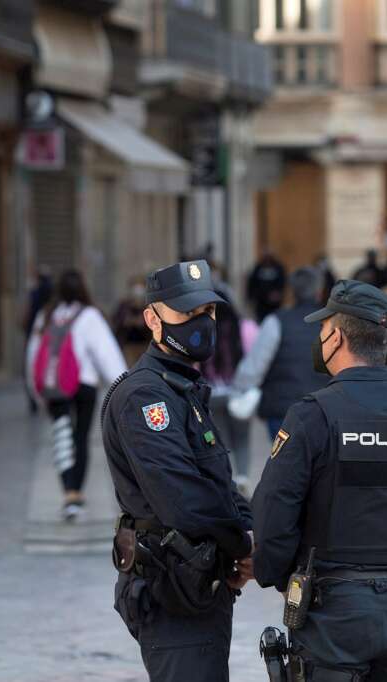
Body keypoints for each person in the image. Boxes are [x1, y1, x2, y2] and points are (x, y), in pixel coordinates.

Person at [251, 279, 387, 680]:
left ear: (336, 336)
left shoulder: (312, 416)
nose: (319, 339)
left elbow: (272, 518)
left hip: (331, 615)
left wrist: (283, 578)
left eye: (322, 330)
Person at [101, 260, 254, 682]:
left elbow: (216, 482)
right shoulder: (147, 397)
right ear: (152, 319)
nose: (202, 323)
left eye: (208, 312)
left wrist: (250, 528)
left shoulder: (181, 388)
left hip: (198, 584)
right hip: (171, 586)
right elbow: (182, 498)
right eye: (187, 314)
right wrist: (244, 544)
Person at [26, 269, 126, 521]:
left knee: (61, 437)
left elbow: (33, 355)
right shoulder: (90, 315)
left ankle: (67, 489)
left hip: (55, 386)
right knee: (80, 437)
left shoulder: (47, 315)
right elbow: (106, 354)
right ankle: (75, 495)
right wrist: (123, 386)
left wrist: (36, 391)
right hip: (84, 385)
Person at [234, 267, 331, 441]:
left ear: (292, 291)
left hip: (282, 411)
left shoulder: (276, 321)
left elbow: (255, 366)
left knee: (285, 465)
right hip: (323, 410)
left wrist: (239, 390)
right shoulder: (332, 324)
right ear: (320, 291)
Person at [201, 285, 254, 494]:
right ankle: (243, 478)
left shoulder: (202, 330)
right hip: (239, 394)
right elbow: (255, 359)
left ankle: (227, 479)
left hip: (211, 394)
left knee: (219, 440)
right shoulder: (245, 328)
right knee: (242, 438)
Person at [22, 266, 53, 414]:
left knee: (32, 367)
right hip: (43, 335)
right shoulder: (51, 299)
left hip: (35, 335)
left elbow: (26, 314)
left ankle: (35, 401)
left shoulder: (35, 293)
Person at [112, 276, 153, 367]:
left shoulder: (149, 304)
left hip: (146, 345)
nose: (138, 291)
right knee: (130, 369)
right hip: (128, 345)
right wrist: (128, 321)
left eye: (140, 287)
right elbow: (117, 320)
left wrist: (143, 322)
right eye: (135, 287)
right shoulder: (125, 305)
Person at [247, 250, 287, 321]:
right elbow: (252, 283)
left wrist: (278, 293)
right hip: (261, 303)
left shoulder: (278, 268)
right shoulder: (258, 268)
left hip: (275, 303)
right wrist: (250, 297)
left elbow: (282, 282)